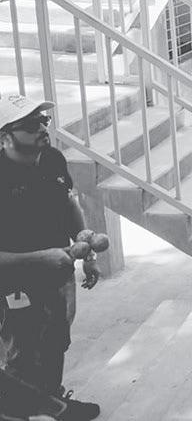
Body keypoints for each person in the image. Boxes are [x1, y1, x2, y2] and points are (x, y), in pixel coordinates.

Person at [0, 94, 99, 419]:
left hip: (59, 272)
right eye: (31, 125)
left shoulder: (53, 158)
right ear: (5, 138)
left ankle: (54, 403)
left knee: (57, 338)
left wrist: (86, 248)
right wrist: (40, 259)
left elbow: (68, 202)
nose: (43, 129)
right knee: (23, 353)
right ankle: (24, 411)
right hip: (14, 283)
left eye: (43, 121)